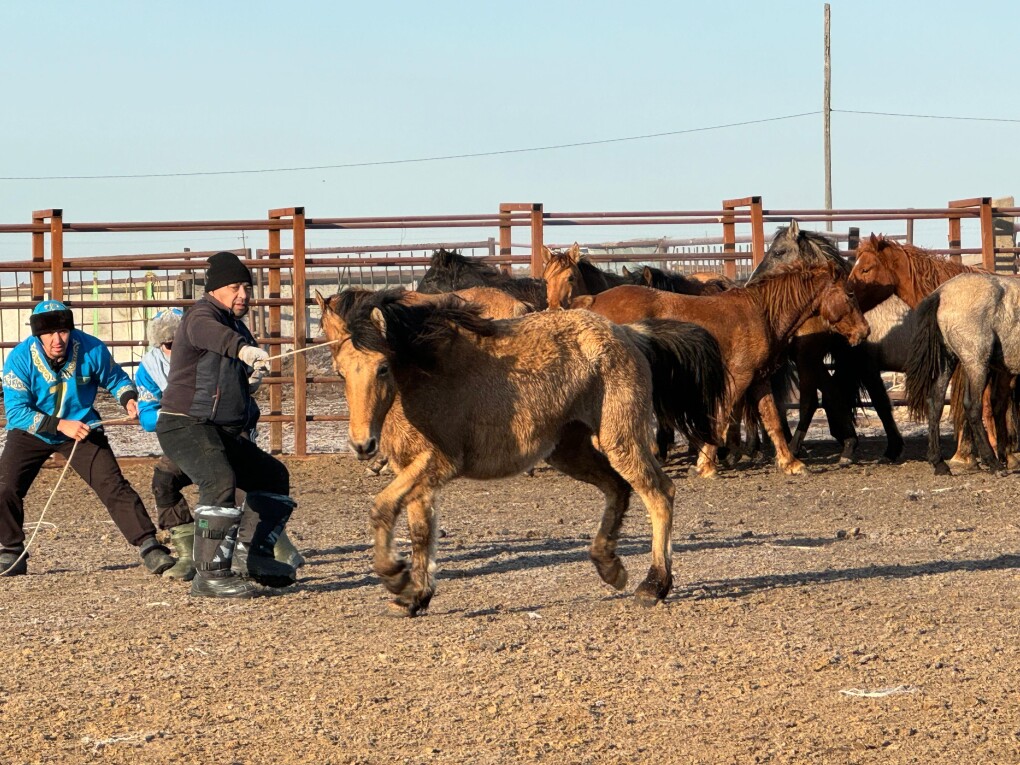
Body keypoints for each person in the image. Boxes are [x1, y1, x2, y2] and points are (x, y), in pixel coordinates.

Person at [156, 251, 298, 599]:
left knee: (273, 476)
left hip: (220, 430)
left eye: (246, 288)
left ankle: (257, 558)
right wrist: (245, 351)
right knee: (219, 480)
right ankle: (211, 575)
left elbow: (225, 368)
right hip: (186, 424)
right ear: (215, 289)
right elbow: (215, 338)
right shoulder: (200, 316)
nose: (243, 295)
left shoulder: (236, 323)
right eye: (235, 287)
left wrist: (248, 378)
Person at [0, 300, 176, 577]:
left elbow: (116, 379)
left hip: (82, 426)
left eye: (63, 331)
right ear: (37, 335)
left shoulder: (91, 347)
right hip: (32, 429)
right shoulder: (19, 359)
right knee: (5, 486)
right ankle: (11, 551)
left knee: (112, 484)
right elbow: (16, 411)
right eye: (49, 333)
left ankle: (149, 545)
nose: (57, 340)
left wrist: (129, 400)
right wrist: (59, 425)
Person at [135, 308, 304, 581]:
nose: (176, 348)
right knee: (165, 481)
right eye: (169, 344)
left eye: (180, 341)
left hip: (230, 431)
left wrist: (245, 385)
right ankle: (190, 553)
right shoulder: (151, 367)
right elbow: (148, 417)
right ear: (159, 346)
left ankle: (271, 548)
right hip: (187, 436)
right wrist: (169, 410)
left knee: (240, 486)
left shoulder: (210, 355)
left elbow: (238, 391)